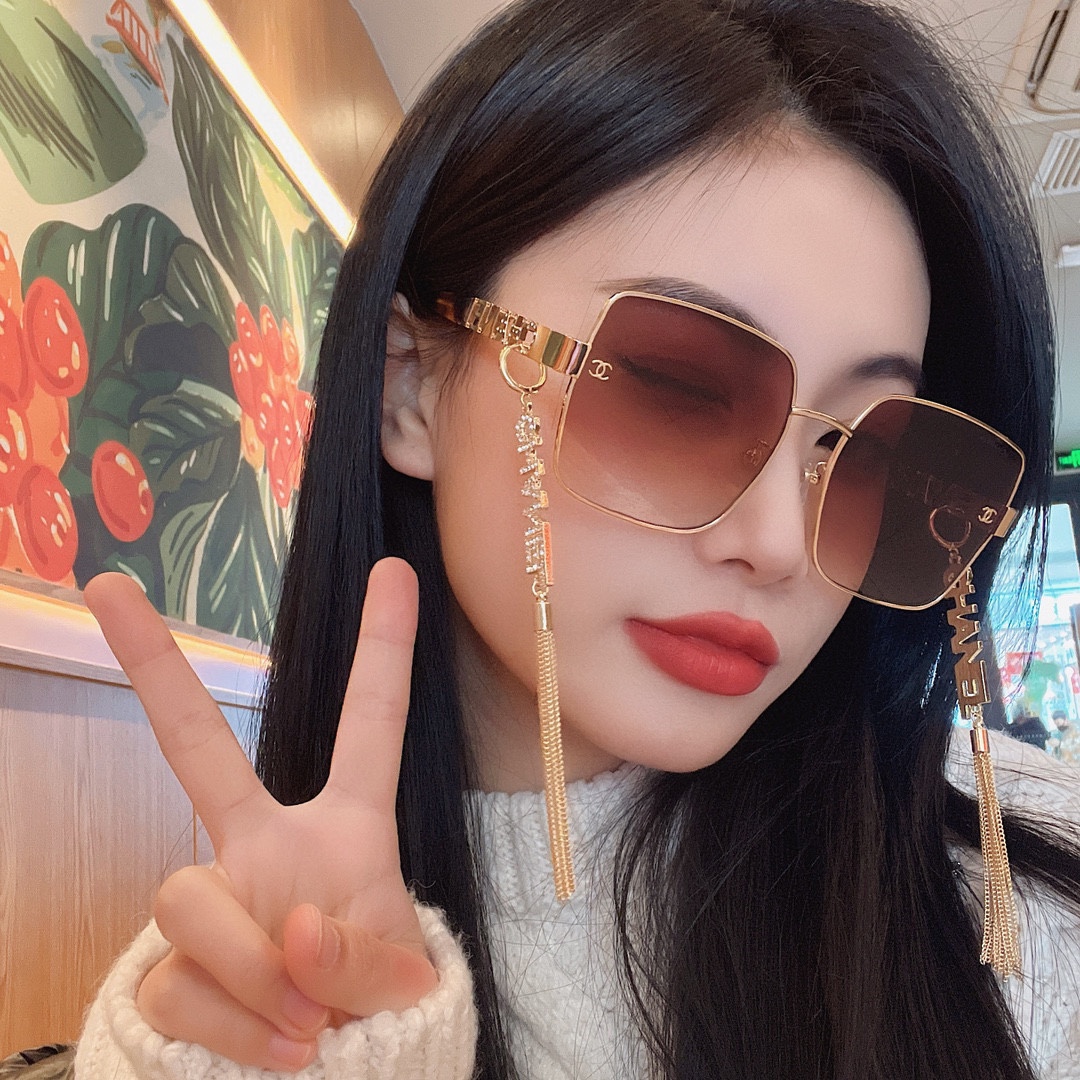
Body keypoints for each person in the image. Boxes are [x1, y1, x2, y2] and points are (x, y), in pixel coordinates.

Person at [66, 0, 1080, 1077]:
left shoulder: (1025, 902)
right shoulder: (217, 1020)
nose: (783, 542)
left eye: (869, 452)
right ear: (410, 385)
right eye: (674, 389)